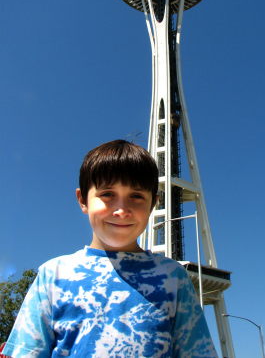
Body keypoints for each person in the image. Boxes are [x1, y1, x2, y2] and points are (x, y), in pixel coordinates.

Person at [4, 140, 218, 357]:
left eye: (136, 196)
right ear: (83, 200)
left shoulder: (173, 279)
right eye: (107, 194)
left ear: (153, 204)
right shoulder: (53, 275)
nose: (122, 210)